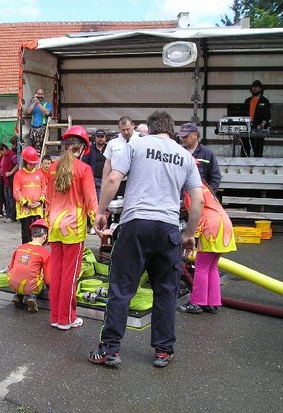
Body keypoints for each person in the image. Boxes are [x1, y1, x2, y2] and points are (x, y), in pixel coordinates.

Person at [88, 111, 204, 368]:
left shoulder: (136, 144)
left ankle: (109, 350)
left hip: (135, 225)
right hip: (168, 228)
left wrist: (100, 211)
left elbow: (114, 178)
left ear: (149, 129)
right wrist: (189, 234)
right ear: (172, 131)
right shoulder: (185, 155)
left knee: (121, 289)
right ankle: (163, 350)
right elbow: (198, 200)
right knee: (165, 291)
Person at [46, 125, 98, 331]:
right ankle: (66, 318)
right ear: (83, 148)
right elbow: (91, 200)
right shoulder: (84, 169)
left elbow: (48, 200)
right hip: (74, 228)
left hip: (54, 226)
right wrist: (98, 224)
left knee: (56, 272)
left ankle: (56, 317)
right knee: (70, 275)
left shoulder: (52, 168)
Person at [178, 180, 237, 314]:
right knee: (212, 267)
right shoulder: (205, 186)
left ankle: (197, 303)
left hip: (211, 227)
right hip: (224, 224)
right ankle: (212, 303)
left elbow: (198, 211)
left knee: (201, 267)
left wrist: (193, 234)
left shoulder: (192, 189)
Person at [7, 219, 51, 313]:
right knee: (40, 281)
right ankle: (32, 297)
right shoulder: (45, 253)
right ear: (45, 236)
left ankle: (18, 296)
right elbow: (48, 278)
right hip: (31, 286)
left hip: (13, 283)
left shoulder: (20, 247)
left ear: (32, 235)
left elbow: (10, 267)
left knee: (22, 276)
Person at [177, 123, 222, 194]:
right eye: (182, 136)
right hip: (181, 198)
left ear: (195, 135)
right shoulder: (178, 153)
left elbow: (215, 177)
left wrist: (207, 195)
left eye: (186, 136)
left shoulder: (207, 154)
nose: (183, 139)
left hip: (199, 198)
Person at [13, 146, 46, 244]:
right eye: (30, 163)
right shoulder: (19, 174)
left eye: (34, 164)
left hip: (37, 209)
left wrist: (40, 202)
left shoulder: (40, 174)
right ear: (25, 162)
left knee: (39, 234)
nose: (32, 166)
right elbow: (16, 192)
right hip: (25, 210)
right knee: (26, 234)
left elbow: (44, 189)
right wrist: (26, 203)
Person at [241, 80, 271, 157]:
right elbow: (242, 112)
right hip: (246, 126)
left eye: (257, 87)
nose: (255, 88)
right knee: (245, 148)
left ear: (261, 89)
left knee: (257, 149)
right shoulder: (247, 100)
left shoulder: (264, 101)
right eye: (253, 87)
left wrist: (262, 124)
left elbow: (267, 115)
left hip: (258, 127)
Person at [26, 87, 53, 154]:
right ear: (36, 94)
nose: (40, 95)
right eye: (38, 94)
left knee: (43, 149)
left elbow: (48, 113)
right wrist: (34, 102)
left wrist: (38, 104)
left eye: (42, 94)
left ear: (44, 95)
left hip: (43, 128)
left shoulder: (47, 104)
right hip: (34, 129)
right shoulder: (33, 104)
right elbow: (28, 112)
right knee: (34, 149)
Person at [0, 143, 18, 223]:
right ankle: (8, 214)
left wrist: (11, 172)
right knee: (6, 198)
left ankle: (12, 215)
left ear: (4, 149)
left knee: (11, 198)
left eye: (1, 151)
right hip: (5, 180)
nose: (1, 153)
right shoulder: (3, 156)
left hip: (10, 180)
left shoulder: (11, 155)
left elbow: (17, 164)